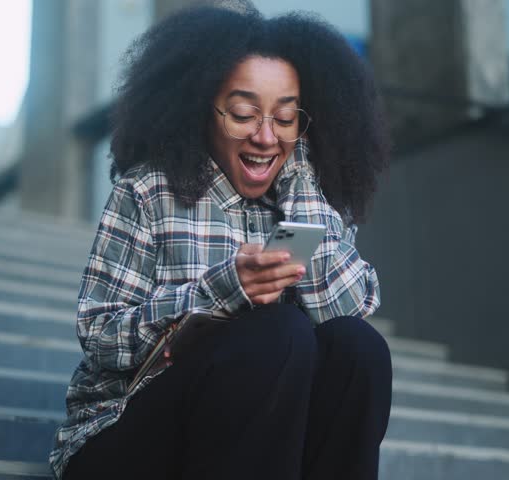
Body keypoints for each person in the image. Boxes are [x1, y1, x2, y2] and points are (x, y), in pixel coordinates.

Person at [51, 3, 392, 479]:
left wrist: (299, 177)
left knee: (360, 348)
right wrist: (224, 291)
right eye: (243, 113)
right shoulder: (148, 192)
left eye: (286, 118)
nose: (265, 136)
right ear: (202, 108)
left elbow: (350, 308)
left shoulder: (307, 195)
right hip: (128, 435)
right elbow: (100, 337)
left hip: (261, 448)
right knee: (279, 332)